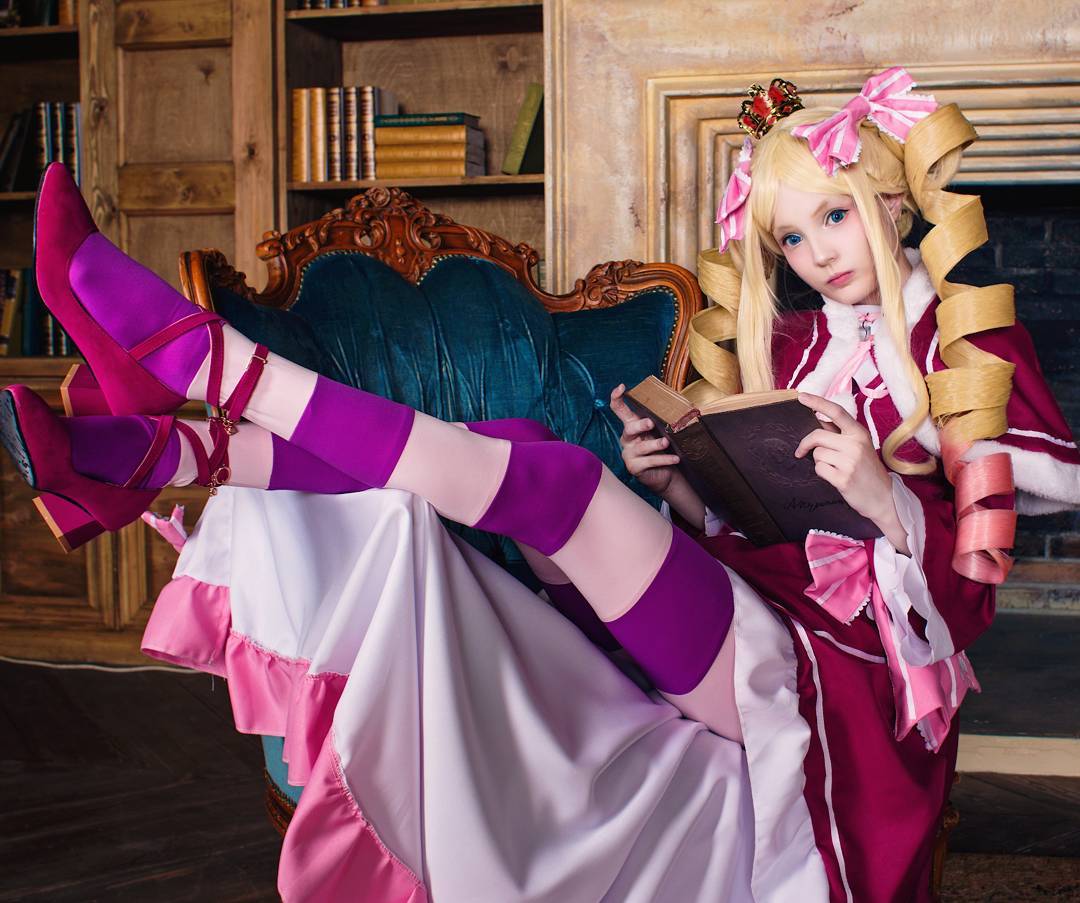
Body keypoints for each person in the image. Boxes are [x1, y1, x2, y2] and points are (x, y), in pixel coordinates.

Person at [6, 68, 1079, 902]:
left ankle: (198, 374)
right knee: (516, 436)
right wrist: (683, 484)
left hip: (840, 681)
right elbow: (760, 523)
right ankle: (158, 459)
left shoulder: (967, 353)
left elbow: (965, 606)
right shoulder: (796, 348)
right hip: (756, 612)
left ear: (887, 201)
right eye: (790, 237)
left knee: (558, 481)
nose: (815, 253)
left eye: (833, 218)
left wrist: (885, 498)